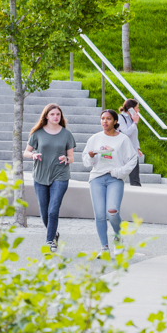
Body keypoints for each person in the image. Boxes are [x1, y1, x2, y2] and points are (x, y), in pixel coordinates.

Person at [83, 108, 137, 252]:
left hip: (115, 179)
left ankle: (118, 237)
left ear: (115, 121)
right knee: (100, 214)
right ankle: (104, 247)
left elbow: (133, 159)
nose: (104, 121)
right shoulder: (94, 139)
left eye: (108, 119)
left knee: (112, 211)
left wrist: (119, 172)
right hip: (97, 178)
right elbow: (86, 162)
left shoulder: (123, 139)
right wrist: (90, 156)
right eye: (102, 119)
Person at [23, 103, 75, 250]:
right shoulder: (37, 133)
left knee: (53, 210)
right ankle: (54, 233)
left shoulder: (66, 134)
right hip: (40, 175)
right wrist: (33, 155)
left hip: (60, 175)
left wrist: (66, 158)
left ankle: (49, 241)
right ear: (46, 116)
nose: (55, 117)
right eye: (52, 114)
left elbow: (71, 157)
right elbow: (25, 152)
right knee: (44, 212)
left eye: (58, 114)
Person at [119, 98, 146, 187]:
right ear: (130, 108)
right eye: (137, 108)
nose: (138, 110)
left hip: (133, 152)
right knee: (118, 176)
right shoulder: (121, 118)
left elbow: (134, 136)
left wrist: (137, 148)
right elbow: (126, 133)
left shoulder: (132, 119)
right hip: (124, 152)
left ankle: (138, 196)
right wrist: (135, 123)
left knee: (135, 180)